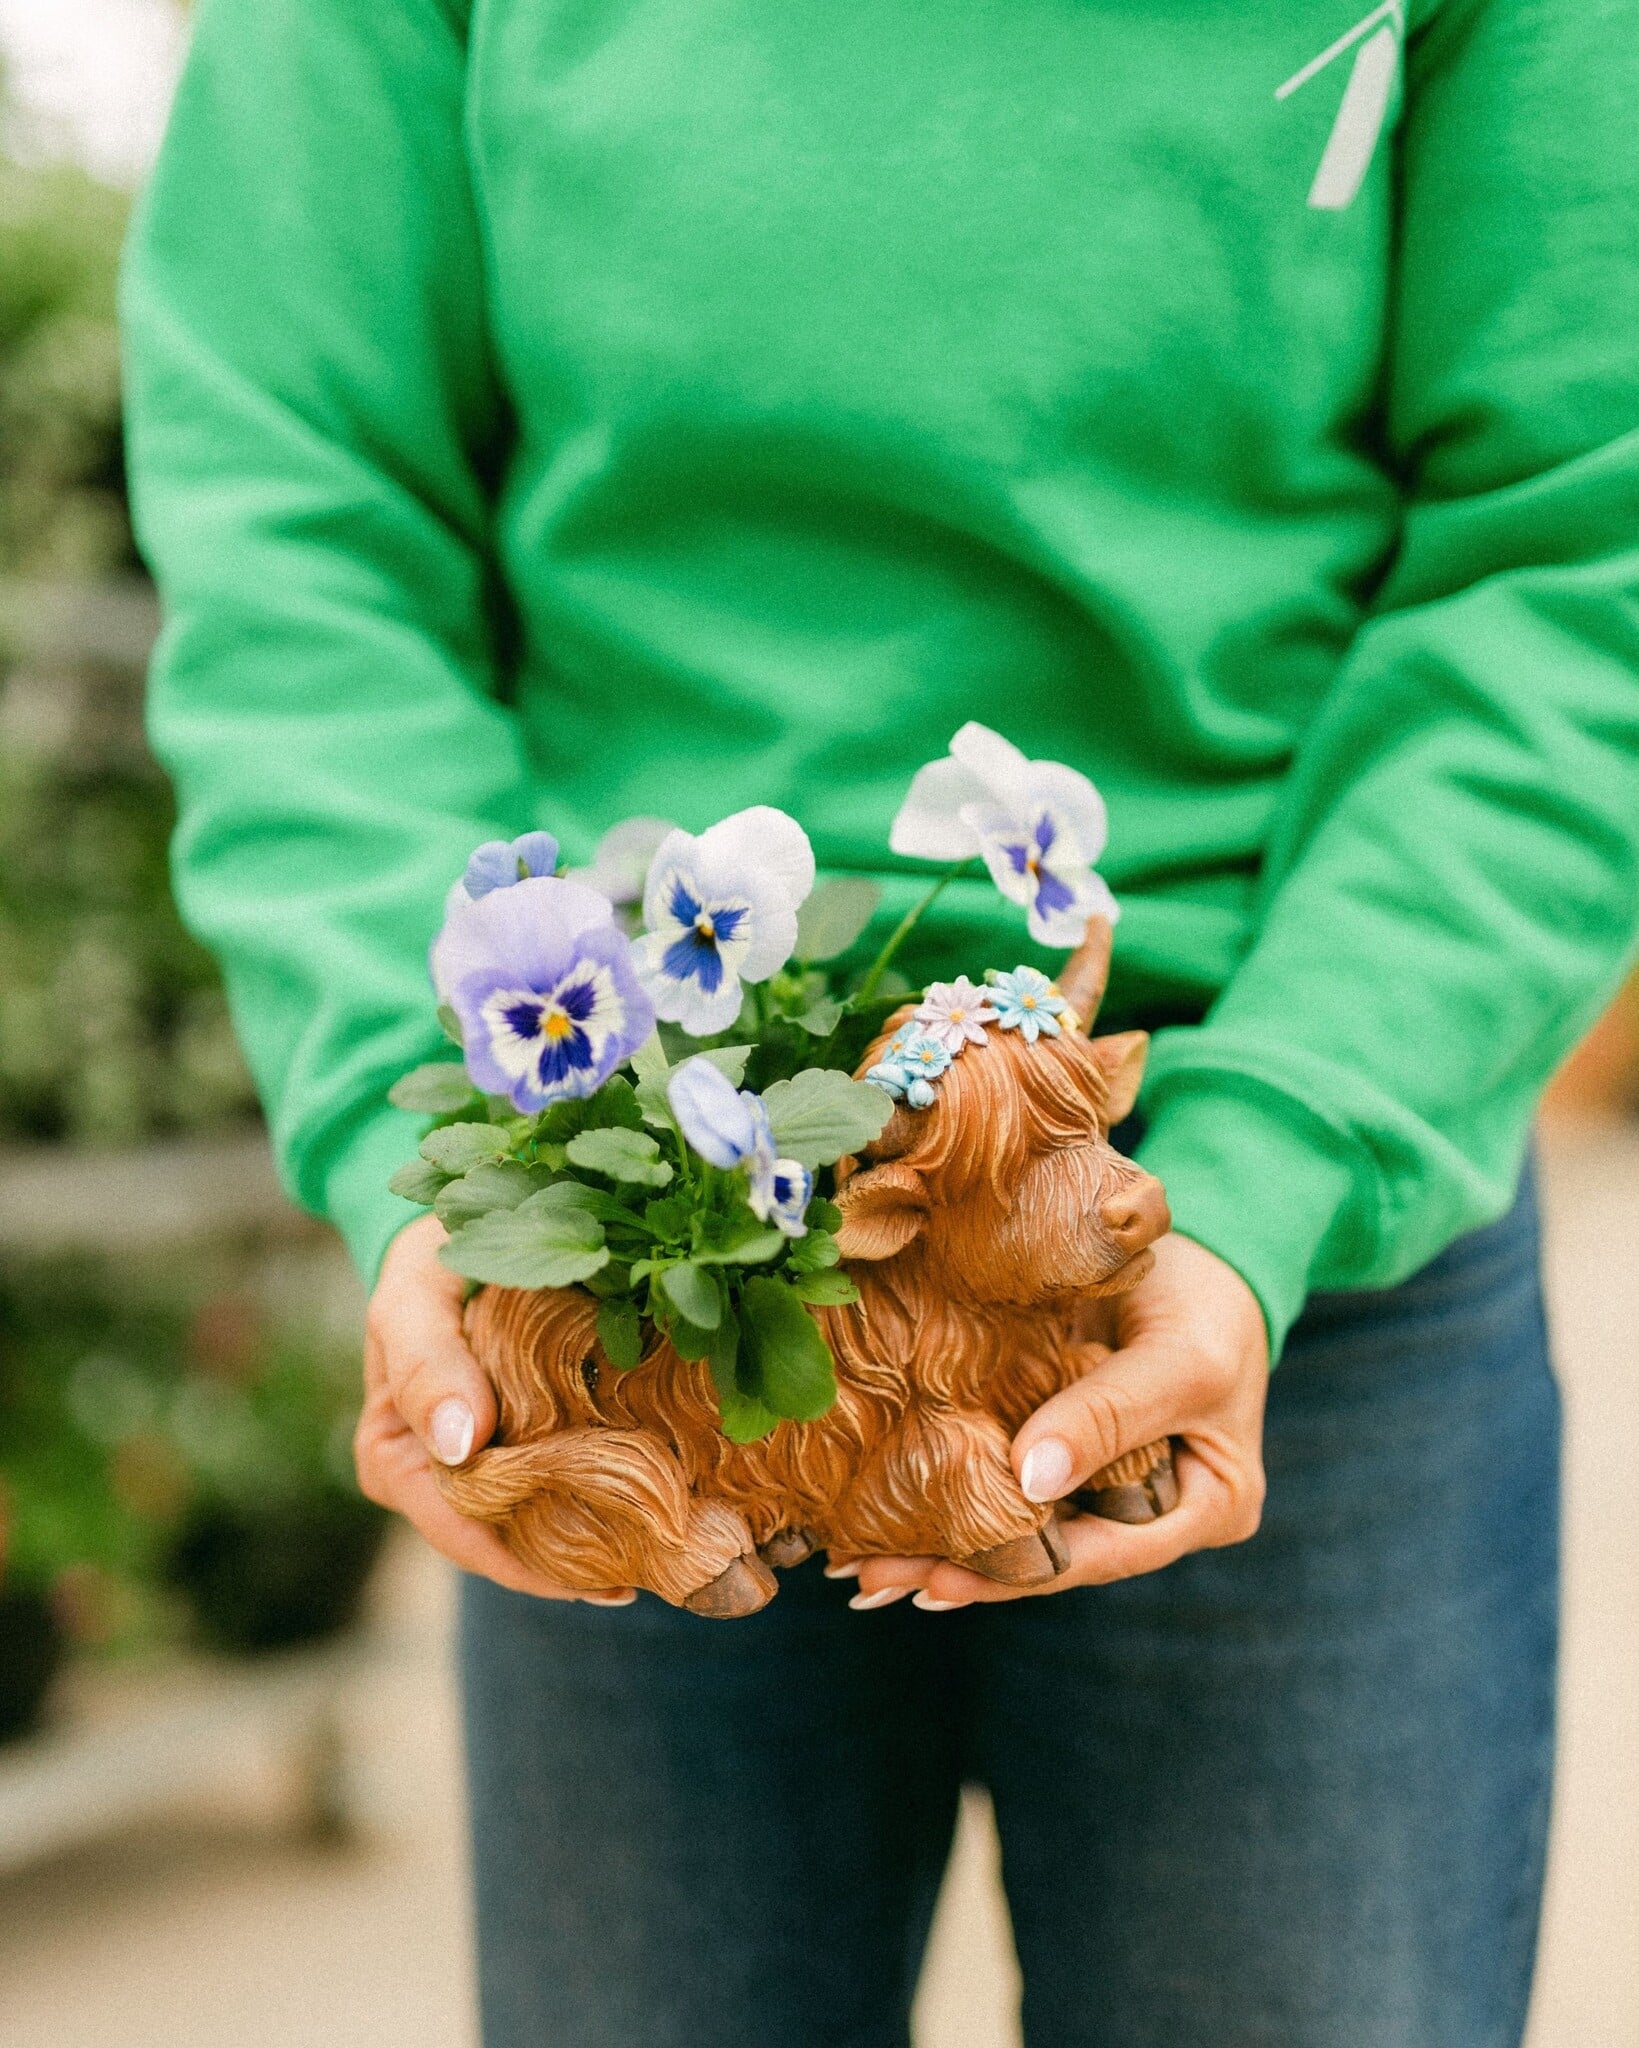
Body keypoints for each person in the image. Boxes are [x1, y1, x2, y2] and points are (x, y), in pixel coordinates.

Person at [121, 1, 1638, 2042]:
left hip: (1284, 1252)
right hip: (645, 1237)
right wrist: (450, 1143)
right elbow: (305, 501)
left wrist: (1283, 1146)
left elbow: (1575, 531)